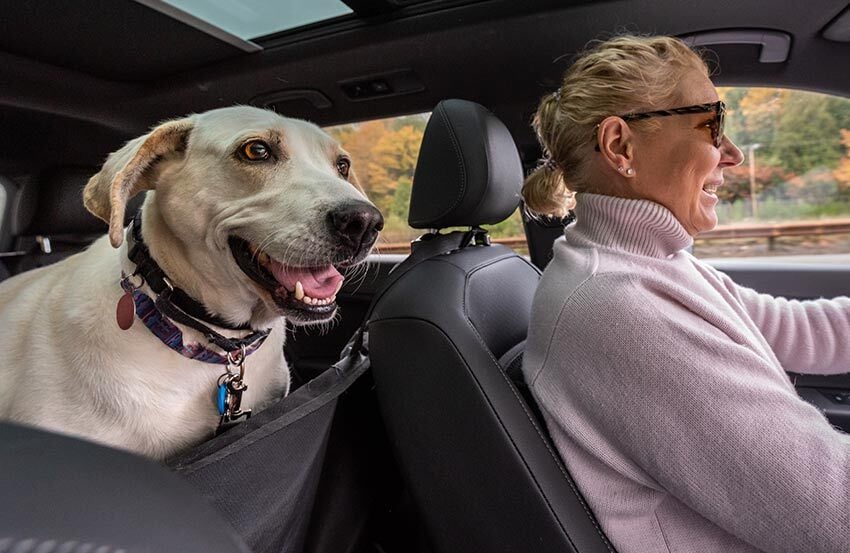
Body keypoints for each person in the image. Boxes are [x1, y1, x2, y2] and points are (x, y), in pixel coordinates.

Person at [521, 34, 850, 553]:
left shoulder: (655, 265)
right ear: (621, 147)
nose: (734, 154)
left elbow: (798, 330)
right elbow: (835, 511)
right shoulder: (619, 308)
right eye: (713, 125)